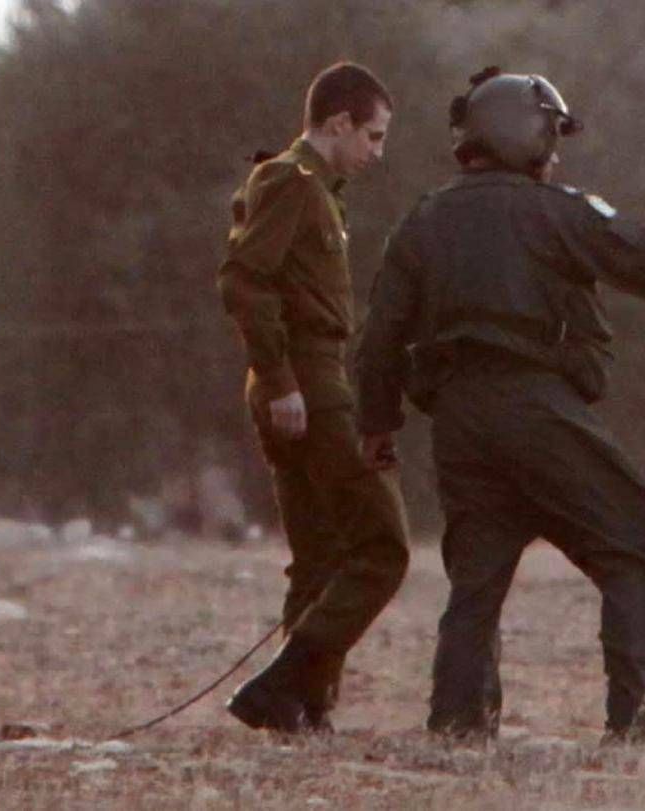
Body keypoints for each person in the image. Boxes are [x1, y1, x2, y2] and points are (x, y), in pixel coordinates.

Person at [354, 68, 645, 741]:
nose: (556, 155)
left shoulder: (422, 220)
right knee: (638, 549)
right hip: (535, 409)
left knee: (476, 583)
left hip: (459, 421)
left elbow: (380, 336)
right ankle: (641, 725)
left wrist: (377, 424)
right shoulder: (554, 211)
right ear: (527, 134)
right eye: (552, 138)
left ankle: (459, 725)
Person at [216, 62, 409, 733]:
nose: (377, 152)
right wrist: (281, 382)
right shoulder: (290, 182)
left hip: (311, 377)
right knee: (383, 547)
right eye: (373, 136)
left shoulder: (320, 191)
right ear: (338, 123)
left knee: (321, 552)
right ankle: (283, 684)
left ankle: (301, 706)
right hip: (308, 381)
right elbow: (244, 281)